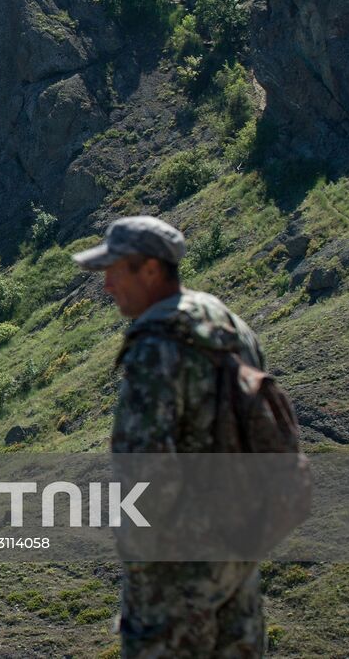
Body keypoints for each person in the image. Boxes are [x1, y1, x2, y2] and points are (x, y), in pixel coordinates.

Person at [72, 215, 266, 658]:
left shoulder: (155, 347)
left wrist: (142, 571)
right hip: (238, 552)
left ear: (150, 270)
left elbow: (143, 471)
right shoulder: (230, 326)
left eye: (114, 272)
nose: (106, 286)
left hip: (176, 571)